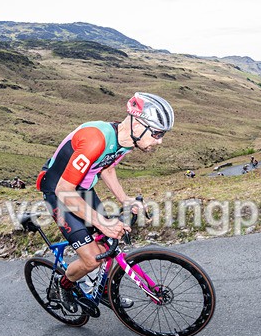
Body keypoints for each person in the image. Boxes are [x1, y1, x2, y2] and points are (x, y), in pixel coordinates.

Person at [36, 92, 173, 309]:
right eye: (156, 133)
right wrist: (102, 222)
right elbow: (64, 191)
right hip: (59, 192)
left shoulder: (125, 141)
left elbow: (107, 168)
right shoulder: (96, 139)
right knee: (92, 258)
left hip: (82, 189)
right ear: (138, 125)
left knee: (105, 243)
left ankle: (100, 290)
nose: (160, 140)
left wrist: (125, 199)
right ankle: (62, 285)